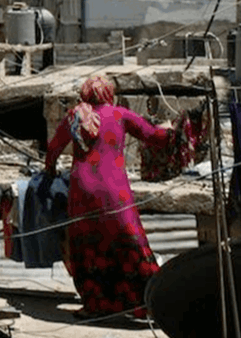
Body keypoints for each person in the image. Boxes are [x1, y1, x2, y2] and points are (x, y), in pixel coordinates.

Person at [45, 76, 173, 319]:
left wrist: (49, 172)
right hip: (115, 193)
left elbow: (52, 151)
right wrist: (175, 129)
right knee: (131, 245)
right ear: (109, 94)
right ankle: (149, 304)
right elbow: (156, 137)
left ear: (84, 95)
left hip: (82, 193)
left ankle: (94, 306)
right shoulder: (120, 115)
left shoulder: (74, 116)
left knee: (88, 248)